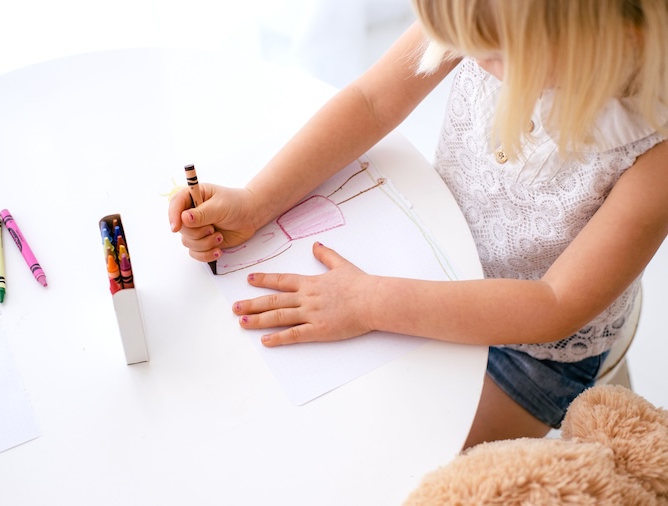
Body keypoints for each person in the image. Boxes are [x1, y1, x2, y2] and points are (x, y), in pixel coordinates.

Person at [169, 0, 668, 449]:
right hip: (430, 251)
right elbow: (371, 100)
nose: (469, 57)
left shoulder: (655, 151)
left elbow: (554, 305)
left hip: (532, 353)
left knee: (408, 457)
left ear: (615, 41)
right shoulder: (483, 15)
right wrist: (257, 202)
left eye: (492, 54)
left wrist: (369, 302)